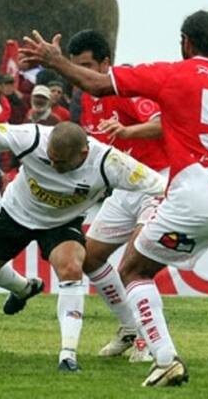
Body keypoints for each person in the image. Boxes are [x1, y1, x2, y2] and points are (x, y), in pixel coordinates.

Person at [20, 10, 208, 387]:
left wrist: (56, 62)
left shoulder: (172, 73)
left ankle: (164, 357)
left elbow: (100, 85)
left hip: (188, 187)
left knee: (134, 270)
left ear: (185, 41)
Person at [0, 121, 166, 373]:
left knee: (71, 268)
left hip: (62, 223)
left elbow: (158, 185)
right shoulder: (33, 138)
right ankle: (24, 288)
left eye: (61, 163)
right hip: (15, 212)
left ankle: (68, 355)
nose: (54, 166)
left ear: (82, 154)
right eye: (50, 159)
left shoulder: (109, 163)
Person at [65, 28, 169, 362]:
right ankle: (129, 328)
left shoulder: (125, 86)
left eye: (86, 65)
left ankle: (149, 345)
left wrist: (128, 131)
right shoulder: (85, 96)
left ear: (105, 63)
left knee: (134, 265)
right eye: (75, 66)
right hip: (125, 186)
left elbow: (163, 124)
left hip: (156, 182)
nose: (81, 74)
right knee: (90, 257)